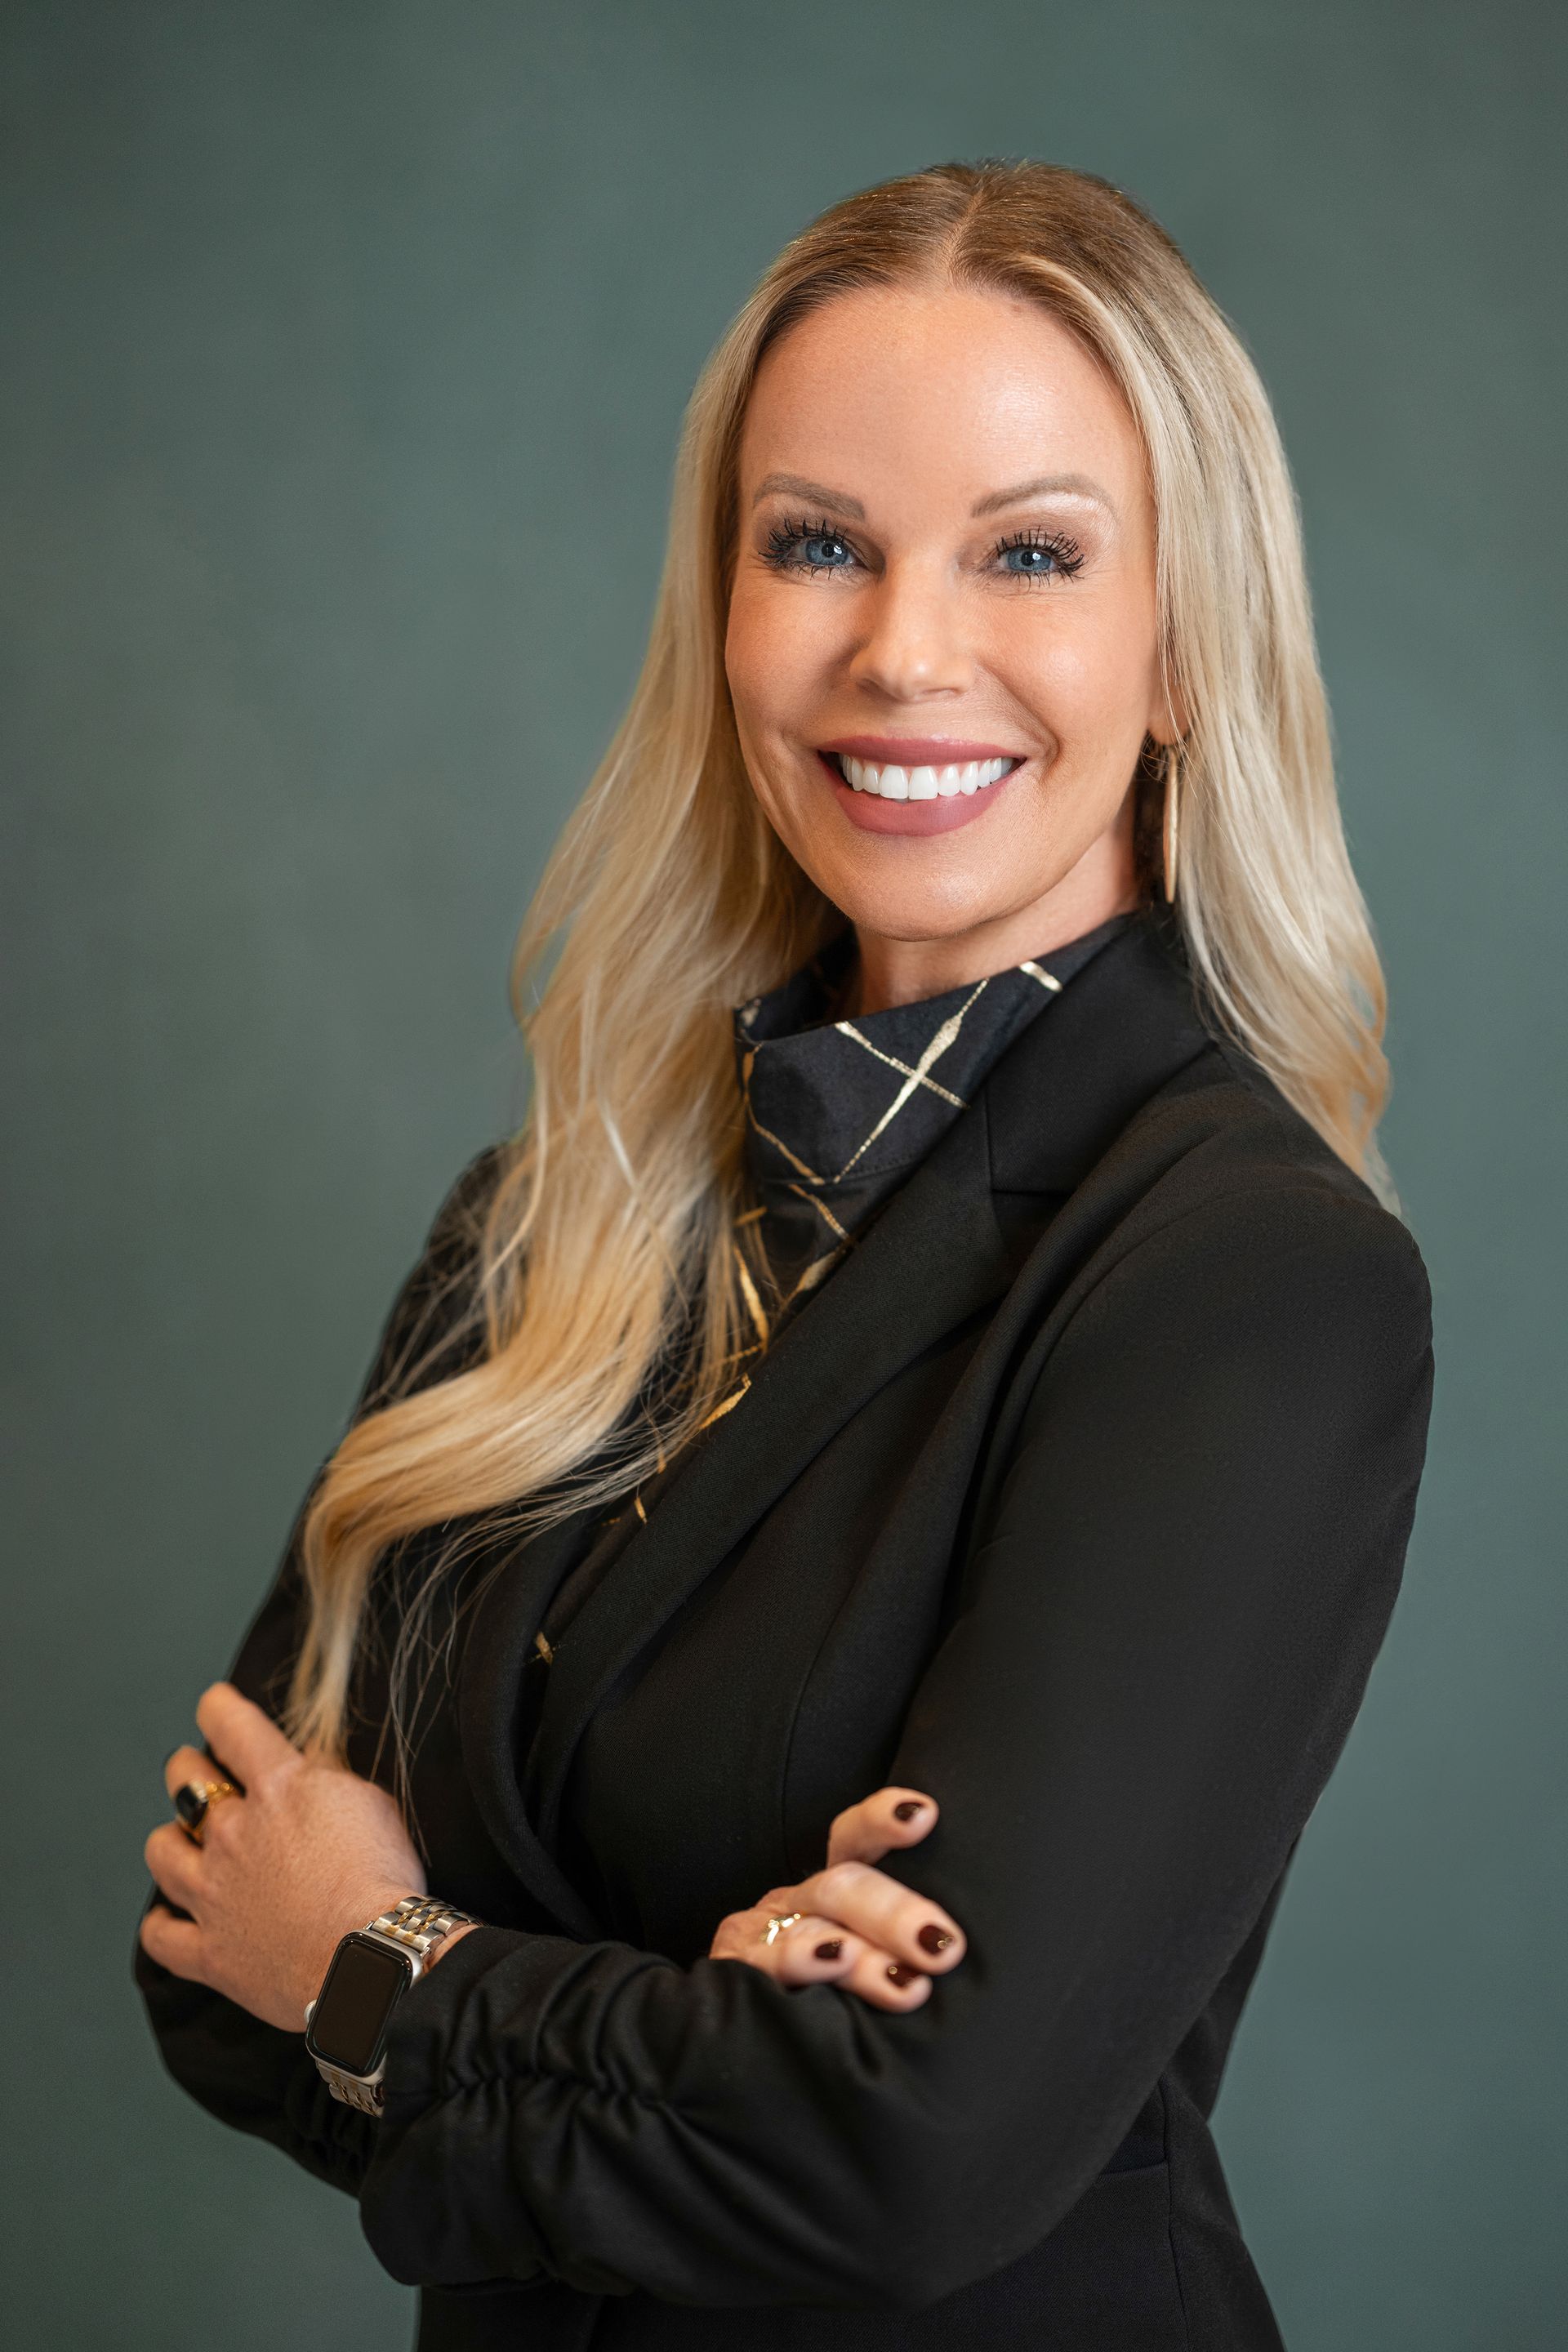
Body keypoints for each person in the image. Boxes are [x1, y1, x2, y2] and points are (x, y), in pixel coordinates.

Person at [136, 161, 1432, 2350]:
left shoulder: (1244, 1278)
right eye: (817, 541)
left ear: (1187, 644)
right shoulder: (546, 1223)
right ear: (723, 606)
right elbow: (205, 1960)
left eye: (1030, 552)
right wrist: (683, 2024)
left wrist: (401, 1961)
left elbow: (897, 2154)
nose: (901, 649)